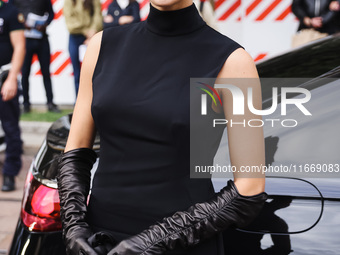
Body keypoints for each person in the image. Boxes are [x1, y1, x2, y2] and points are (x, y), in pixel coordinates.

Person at [57, 0, 267, 254]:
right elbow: (75, 151)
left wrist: (150, 243)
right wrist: (74, 227)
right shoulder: (102, 46)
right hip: (100, 241)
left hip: (181, 245)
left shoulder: (233, 61)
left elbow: (249, 188)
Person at [12, 0, 60, 113]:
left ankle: (50, 102)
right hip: (25, 39)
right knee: (25, 73)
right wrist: (21, 22)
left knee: (46, 72)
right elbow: (12, 12)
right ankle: (26, 104)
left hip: (41, 38)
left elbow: (51, 14)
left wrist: (45, 24)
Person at [0, 0, 25, 191]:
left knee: (10, 129)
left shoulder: (10, 11)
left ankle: (9, 174)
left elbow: (19, 47)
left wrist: (11, 79)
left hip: (4, 77)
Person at [63, 0, 103, 98]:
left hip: (92, 36)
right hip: (76, 38)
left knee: (95, 72)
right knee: (77, 73)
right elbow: (70, 23)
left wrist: (93, 31)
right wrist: (86, 31)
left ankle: (95, 101)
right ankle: (78, 102)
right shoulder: (69, 1)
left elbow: (98, 16)